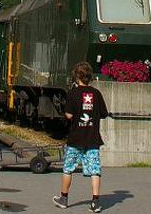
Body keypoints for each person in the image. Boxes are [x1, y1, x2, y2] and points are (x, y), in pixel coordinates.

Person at [53, 62, 108, 213]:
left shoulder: (73, 93)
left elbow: (69, 115)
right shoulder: (96, 94)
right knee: (95, 170)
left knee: (68, 169)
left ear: (77, 76)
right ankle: (95, 202)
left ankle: (63, 199)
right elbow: (104, 113)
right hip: (92, 139)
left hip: (76, 138)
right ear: (90, 77)